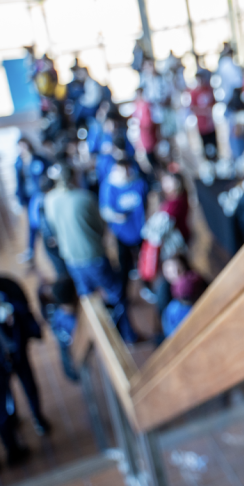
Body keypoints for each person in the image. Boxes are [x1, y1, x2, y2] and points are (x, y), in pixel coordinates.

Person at [45, 164, 137, 343]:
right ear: (73, 177)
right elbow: (100, 227)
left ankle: (102, 338)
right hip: (93, 255)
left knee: (88, 298)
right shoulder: (84, 198)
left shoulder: (49, 199)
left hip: (71, 258)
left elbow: (53, 228)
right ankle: (127, 335)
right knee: (117, 294)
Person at [0, 276, 50, 440]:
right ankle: (11, 422)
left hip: (17, 348)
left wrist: (12, 312)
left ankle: (38, 418)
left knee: (30, 386)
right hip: (2, 359)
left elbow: (25, 308)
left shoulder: (8, 285)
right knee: (4, 394)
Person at [99, 158, 149, 285]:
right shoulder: (109, 186)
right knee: (124, 261)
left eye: (128, 169)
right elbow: (105, 210)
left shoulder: (139, 182)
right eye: (122, 170)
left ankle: (146, 281)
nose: (126, 172)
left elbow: (147, 201)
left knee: (145, 257)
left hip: (141, 228)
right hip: (122, 232)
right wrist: (116, 216)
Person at [15, 138, 48, 263]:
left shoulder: (38, 159)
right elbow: (19, 183)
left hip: (41, 195)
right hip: (29, 198)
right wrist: (19, 199)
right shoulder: (18, 163)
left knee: (43, 222)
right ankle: (30, 251)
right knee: (32, 224)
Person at [39, 279, 78, 382]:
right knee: (64, 353)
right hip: (66, 340)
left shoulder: (58, 313)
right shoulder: (70, 320)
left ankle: (71, 374)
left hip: (64, 338)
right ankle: (71, 374)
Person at [159, 256, 207, 339]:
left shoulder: (187, 282)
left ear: (182, 265)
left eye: (174, 267)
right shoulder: (168, 290)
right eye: (167, 271)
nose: (172, 272)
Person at [188, 69, 218, 161]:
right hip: (202, 124)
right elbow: (192, 108)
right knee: (206, 144)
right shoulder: (193, 93)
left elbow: (213, 102)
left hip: (211, 123)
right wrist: (203, 111)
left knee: (214, 143)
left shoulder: (208, 89)